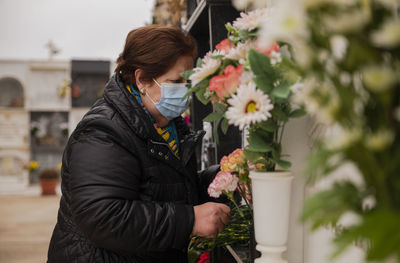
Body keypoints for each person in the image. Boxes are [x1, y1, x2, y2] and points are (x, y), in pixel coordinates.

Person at [47, 25, 231, 263]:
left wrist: (224, 177)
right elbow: (103, 218)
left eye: (189, 81)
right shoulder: (103, 132)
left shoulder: (166, 125)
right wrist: (190, 220)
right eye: (176, 81)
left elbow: (165, 189)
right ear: (142, 79)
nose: (186, 92)